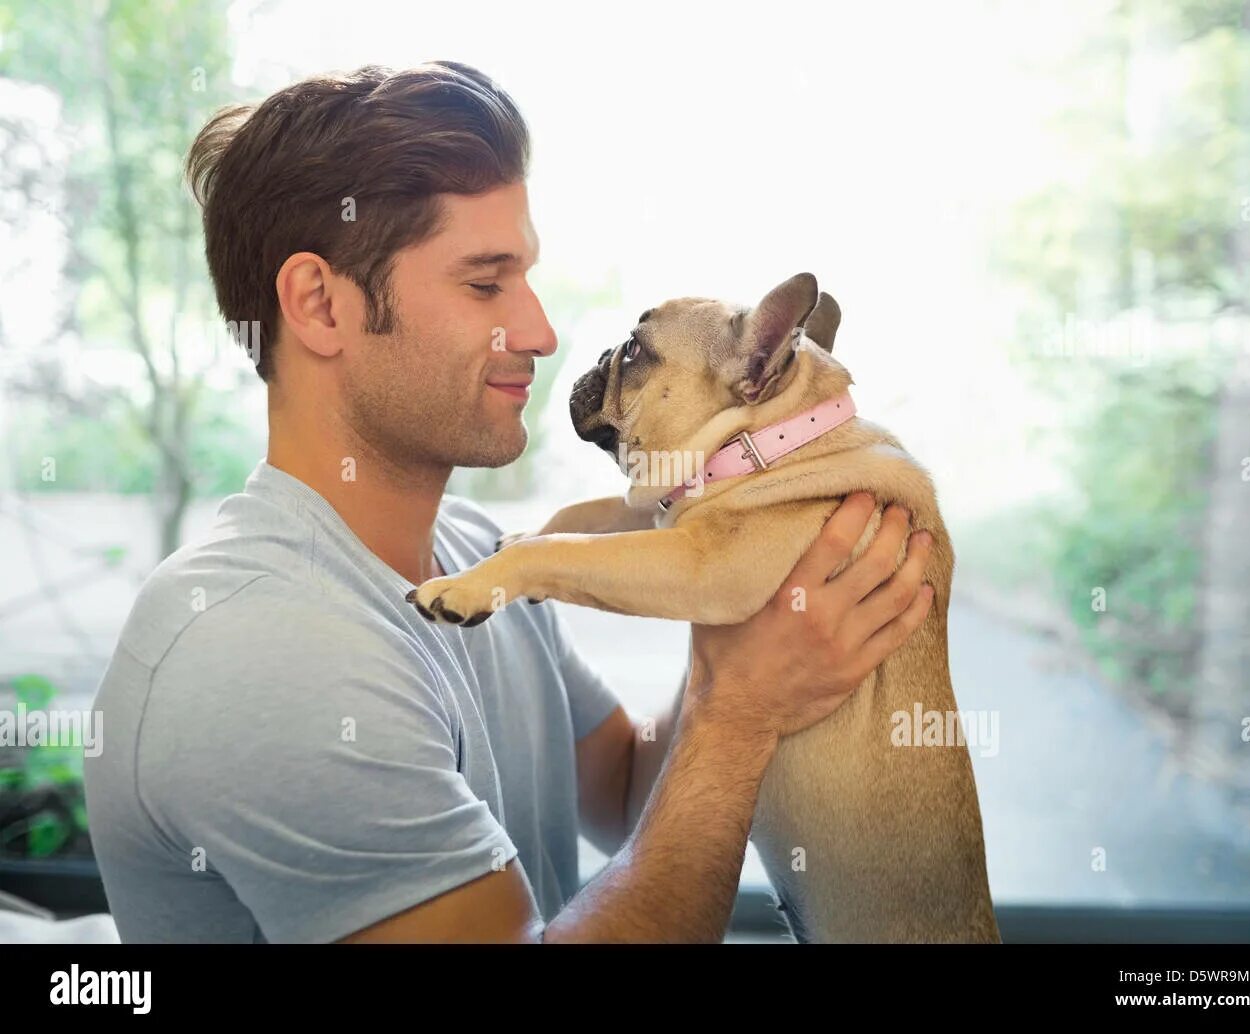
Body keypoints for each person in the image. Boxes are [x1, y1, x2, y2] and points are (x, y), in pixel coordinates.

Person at [83, 61, 934, 944]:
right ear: (318, 305)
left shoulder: (477, 553)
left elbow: (624, 785)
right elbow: (715, 747)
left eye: (523, 279)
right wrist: (742, 713)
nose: (539, 333)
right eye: (486, 284)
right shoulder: (261, 650)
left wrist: (752, 593)